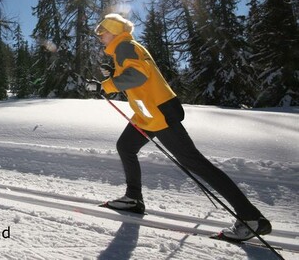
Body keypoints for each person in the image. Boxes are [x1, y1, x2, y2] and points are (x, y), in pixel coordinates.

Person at [95, 13, 271, 241]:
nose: (100, 36)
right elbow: (136, 75)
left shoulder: (124, 45)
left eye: (102, 31)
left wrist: (107, 84)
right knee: (126, 146)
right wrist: (113, 76)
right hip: (147, 114)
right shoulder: (125, 48)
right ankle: (133, 198)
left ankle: (251, 218)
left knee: (195, 163)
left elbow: (137, 75)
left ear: (114, 31)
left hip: (158, 113)